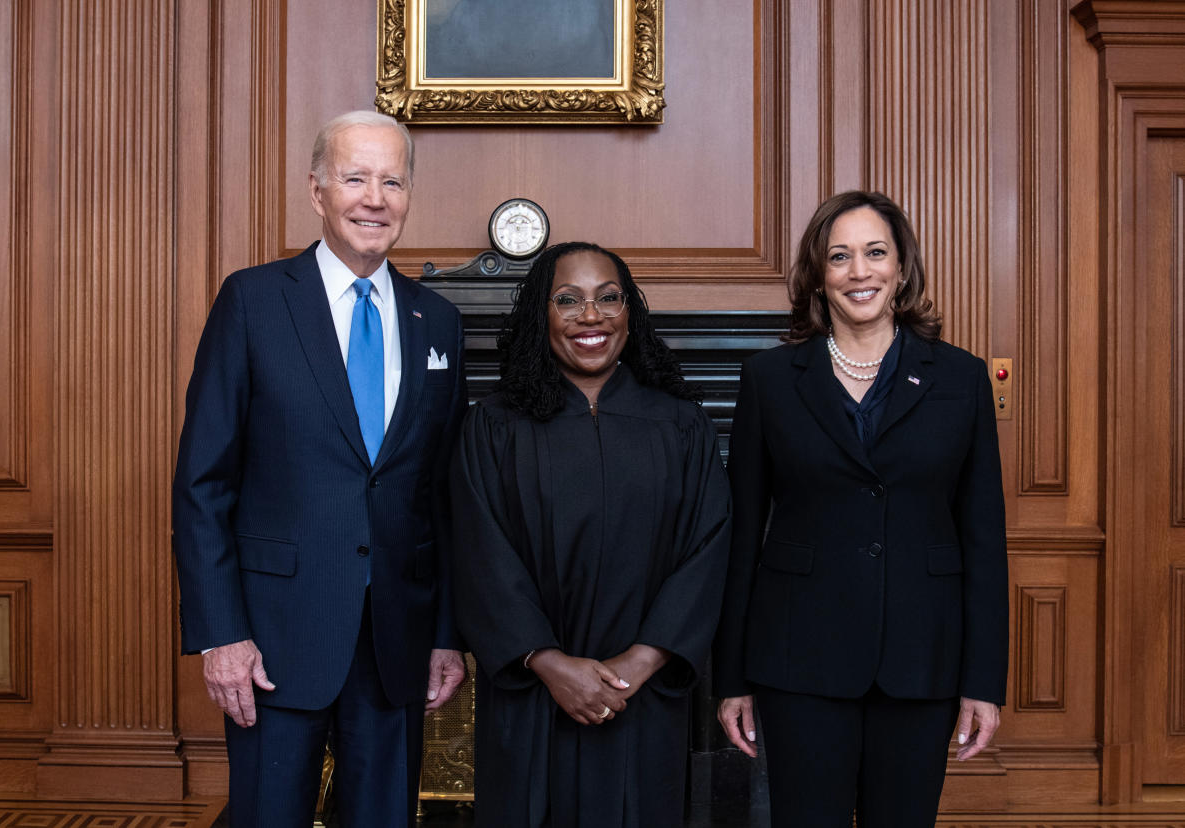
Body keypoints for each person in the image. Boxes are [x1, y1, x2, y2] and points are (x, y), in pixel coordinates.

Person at [172, 110, 468, 828]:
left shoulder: (439, 320)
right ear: (317, 192)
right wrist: (221, 633)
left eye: (392, 181)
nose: (375, 198)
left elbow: (445, 497)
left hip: (395, 639)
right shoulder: (253, 301)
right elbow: (202, 483)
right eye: (355, 178)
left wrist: (446, 633)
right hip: (272, 639)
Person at [712, 191, 1008, 827]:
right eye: (839, 256)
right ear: (819, 275)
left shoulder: (961, 379)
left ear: (902, 269)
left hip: (922, 655)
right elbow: (740, 538)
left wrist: (983, 681)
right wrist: (731, 678)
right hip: (799, 657)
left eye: (875, 253)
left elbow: (983, 538)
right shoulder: (769, 379)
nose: (859, 271)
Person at [451, 241, 732, 826]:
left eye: (609, 298)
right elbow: (480, 552)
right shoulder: (495, 426)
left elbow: (709, 549)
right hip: (532, 694)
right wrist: (549, 663)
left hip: (644, 696)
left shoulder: (680, 425)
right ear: (541, 315)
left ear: (630, 311)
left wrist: (641, 661)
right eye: (568, 299)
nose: (591, 316)